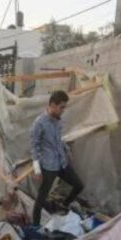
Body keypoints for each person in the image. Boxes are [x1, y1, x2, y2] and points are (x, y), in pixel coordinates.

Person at [30, 90, 84, 227]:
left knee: (79, 185)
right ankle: (35, 227)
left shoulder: (58, 121)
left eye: (65, 107)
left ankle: (63, 205)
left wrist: (67, 150)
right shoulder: (39, 123)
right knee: (40, 200)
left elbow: (59, 140)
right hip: (48, 166)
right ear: (52, 105)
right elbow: (34, 147)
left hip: (62, 163)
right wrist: (37, 170)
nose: (63, 110)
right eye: (61, 107)